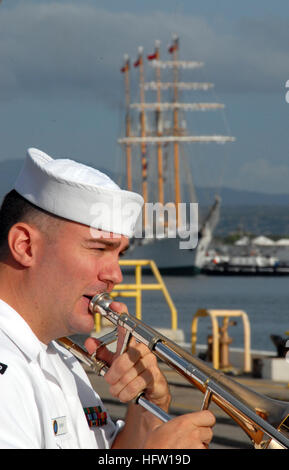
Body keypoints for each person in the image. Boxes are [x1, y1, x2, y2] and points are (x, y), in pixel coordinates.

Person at [0, 147, 215, 449]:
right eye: (98, 249)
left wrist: (148, 407)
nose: (115, 275)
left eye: (119, 254)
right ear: (25, 246)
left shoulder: (62, 358)